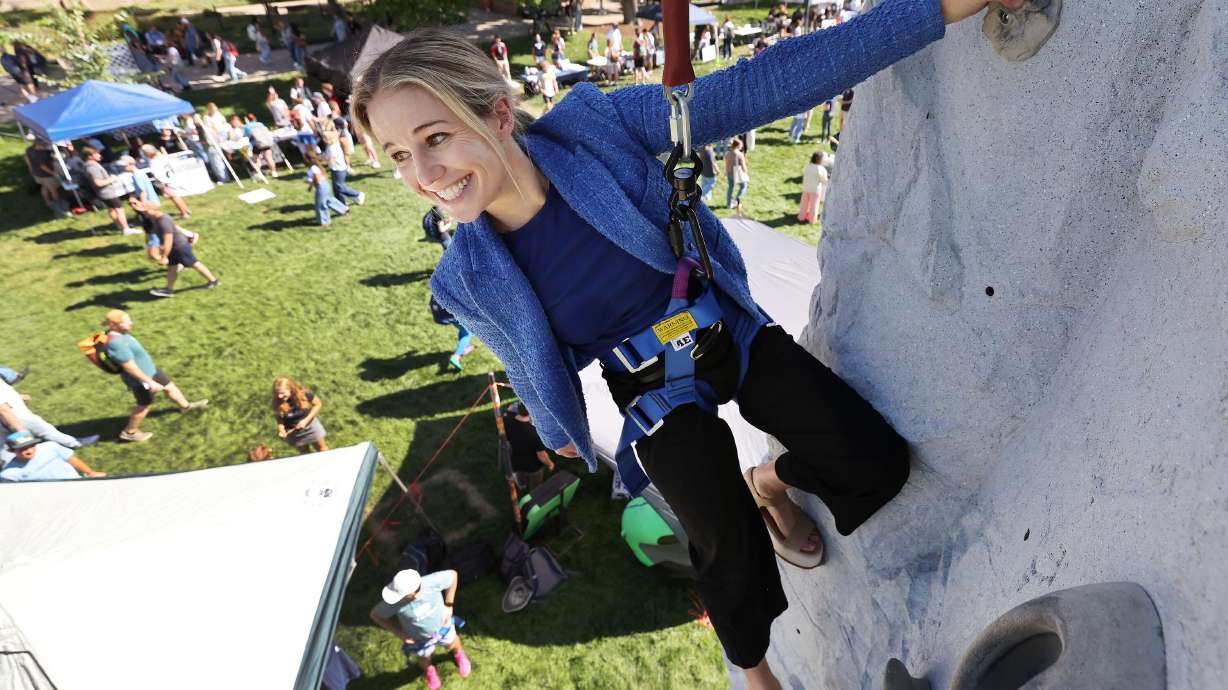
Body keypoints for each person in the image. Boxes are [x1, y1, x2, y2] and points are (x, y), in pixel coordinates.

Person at [352, 3, 1016, 684]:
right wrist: (554, 430)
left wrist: (942, 8)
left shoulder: (594, 130)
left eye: (435, 138)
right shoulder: (467, 276)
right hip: (650, 388)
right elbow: (535, 359)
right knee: (721, 540)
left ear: (495, 115)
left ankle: (770, 481)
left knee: (876, 463)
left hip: (722, 325)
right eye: (400, 156)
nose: (423, 174)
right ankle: (759, 676)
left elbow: (757, 89)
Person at [100, 309, 208, 443]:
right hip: (140, 380)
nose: (131, 323)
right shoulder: (116, 343)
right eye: (127, 322)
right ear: (113, 325)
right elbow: (129, 367)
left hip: (151, 370)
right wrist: (149, 382)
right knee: (144, 404)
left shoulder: (122, 334)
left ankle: (185, 407)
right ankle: (129, 432)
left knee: (170, 386)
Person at [370, 568, 471, 690]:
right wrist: (400, 633)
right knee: (424, 657)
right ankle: (429, 670)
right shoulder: (395, 603)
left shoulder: (431, 582)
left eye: (398, 595)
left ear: (412, 594)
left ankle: (458, 654)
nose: (395, 598)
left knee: (453, 642)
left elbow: (453, 575)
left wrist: (449, 604)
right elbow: (376, 615)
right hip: (420, 639)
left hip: (443, 627)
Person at [129, 196, 219, 297]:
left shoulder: (163, 220)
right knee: (172, 268)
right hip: (174, 247)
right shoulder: (155, 218)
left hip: (179, 247)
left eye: (146, 212)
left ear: (152, 210)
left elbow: (168, 239)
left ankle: (214, 281)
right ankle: (168, 289)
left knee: (195, 264)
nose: (145, 214)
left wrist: (163, 256)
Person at [0, 379, 100, 450]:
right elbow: (3, 409)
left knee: (6, 446)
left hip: (8, 417)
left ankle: (7, 464)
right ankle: (75, 444)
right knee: (47, 431)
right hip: (16, 416)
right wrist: (20, 429)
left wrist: (17, 396)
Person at [1, 432, 106, 482]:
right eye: (22, 449)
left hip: (75, 483)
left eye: (31, 446)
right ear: (11, 451)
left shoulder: (50, 447)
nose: (29, 450)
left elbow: (72, 459)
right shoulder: (9, 474)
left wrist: (90, 473)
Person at [81, 145, 134, 234]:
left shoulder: (90, 166)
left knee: (112, 209)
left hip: (103, 193)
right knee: (119, 209)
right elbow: (98, 183)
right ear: (90, 156)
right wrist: (111, 179)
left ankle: (120, 225)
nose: (99, 155)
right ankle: (126, 228)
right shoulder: (92, 168)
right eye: (96, 153)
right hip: (107, 192)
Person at [503, 401, 555, 490]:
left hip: (515, 460)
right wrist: (550, 464)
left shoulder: (507, 420)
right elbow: (542, 456)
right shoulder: (536, 432)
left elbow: (509, 410)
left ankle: (521, 486)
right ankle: (533, 493)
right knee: (535, 485)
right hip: (533, 467)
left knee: (520, 478)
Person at [272, 377, 328, 453]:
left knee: (322, 450)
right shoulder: (276, 402)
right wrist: (281, 430)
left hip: (311, 427)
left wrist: (305, 420)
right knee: (304, 455)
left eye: (282, 393)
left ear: (290, 389)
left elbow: (318, 404)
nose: (279, 396)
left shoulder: (304, 394)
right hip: (294, 433)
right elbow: (279, 419)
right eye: (277, 393)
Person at [428, 294, 474, 371]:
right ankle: (456, 356)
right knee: (467, 334)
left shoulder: (439, 286)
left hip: (440, 315)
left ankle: (464, 346)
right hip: (450, 316)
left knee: (463, 330)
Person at [305, 150, 348, 226]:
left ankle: (324, 221)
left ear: (308, 159)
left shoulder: (313, 168)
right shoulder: (317, 166)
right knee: (328, 200)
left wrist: (311, 185)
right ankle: (343, 209)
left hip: (321, 186)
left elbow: (317, 179)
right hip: (325, 185)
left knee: (320, 204)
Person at [325, 138, 365, 206]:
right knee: (336, 188)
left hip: (338, 169)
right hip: (335, 168)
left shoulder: (332, 147)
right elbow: (327, 156)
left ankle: (358, 194)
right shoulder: (329, 146)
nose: (323, 139)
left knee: (339, 187)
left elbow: (331, 160)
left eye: (325, 138)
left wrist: (324, 168)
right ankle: (341, 204)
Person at [25, 137, 60, 210]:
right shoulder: (41, 153)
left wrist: (31, 169)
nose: (44, 146)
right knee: (53, 190)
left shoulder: (29, 149)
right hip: (46, 175)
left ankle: (47, 202)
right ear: (38, 144)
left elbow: (27, 160)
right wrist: (53, 173)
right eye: (43, 144)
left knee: (44, 187)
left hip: (36, 174)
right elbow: (43, 166)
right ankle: (58, 205)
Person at [798, 151, 828, 223]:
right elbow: (824, 180)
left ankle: (801, 217)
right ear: (819, 159)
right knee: (814, 205)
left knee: (804, 204)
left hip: (806, 188)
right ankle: (812, 219)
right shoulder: (821, 169)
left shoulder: (808, 166)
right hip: (815, 190)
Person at [724, 137, 749, 212]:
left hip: (729, 173)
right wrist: (746, 174)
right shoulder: (739, 154)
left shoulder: (727, 153)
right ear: (737, 146)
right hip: (737, 174)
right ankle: (737, 198)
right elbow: (743, 166)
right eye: (741, 145)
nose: (741, 146)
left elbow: (726, 163)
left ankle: (729, 204)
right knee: (743, 186)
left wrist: (726, 172)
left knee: (730, 188)